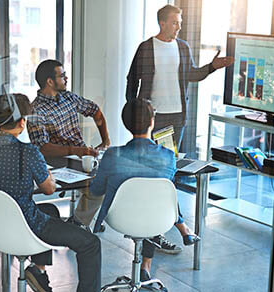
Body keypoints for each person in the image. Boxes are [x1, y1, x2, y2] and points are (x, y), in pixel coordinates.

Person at [126, 4, 233, 253]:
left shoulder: (182, 47)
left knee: (166, 175)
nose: (179, 26)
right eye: (175, 22)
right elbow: (132, 81)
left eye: (180, 22)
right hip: (152, 120)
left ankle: (159, 231)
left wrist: (212, 67)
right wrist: (134, 115)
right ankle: (164, 230)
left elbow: (193, 75)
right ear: (162, 23)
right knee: (155, 176)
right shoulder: (146, 48)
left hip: (175, 119)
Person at [0, 93, 102, 292]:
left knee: (50, 210)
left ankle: (39, 273)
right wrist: (48, 175)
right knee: (91, 244)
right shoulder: (28, 152)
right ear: (21, 123)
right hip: (26, 226)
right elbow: (48, 189)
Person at [90, 98, 200, 286]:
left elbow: (96, 190)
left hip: (120, 219)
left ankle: (145, 268)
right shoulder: (168, 156)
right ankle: (149, 264)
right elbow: (166, 194)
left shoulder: (112, 155)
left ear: (125, 124)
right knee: (151, 204)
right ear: (152, 122)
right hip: (157, 218)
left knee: (145, 204)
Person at [28, 59, 111, 228]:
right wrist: (77, 150)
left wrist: (105, 140)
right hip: (56, 163)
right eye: (62, 75)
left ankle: (78, 221)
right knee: (97, 187)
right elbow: (42, 148)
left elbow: (95, 111)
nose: (66, 78)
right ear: (50, 81)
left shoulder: (68, 97)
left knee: (105, 182)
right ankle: (81, 221)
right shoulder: (35, 110)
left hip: (81, 157)